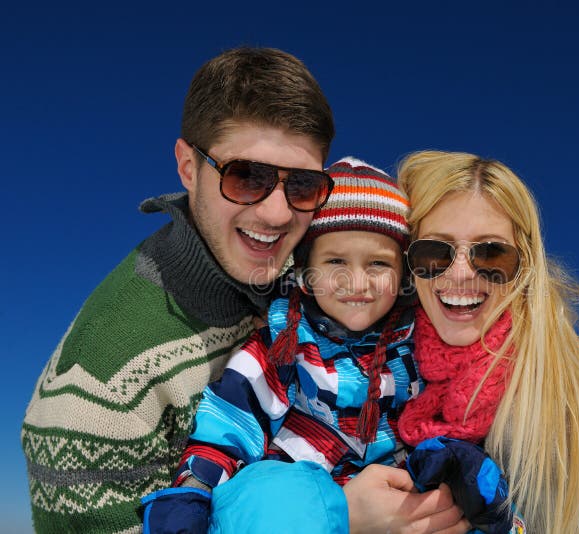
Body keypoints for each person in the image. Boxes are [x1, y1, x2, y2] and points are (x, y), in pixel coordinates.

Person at [21, 48, 466, 534]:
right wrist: (341, 517)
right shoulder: (102, 379)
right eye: (245, 177)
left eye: (301, 185)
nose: (277, 214)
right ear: (188, 167)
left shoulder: (307, 278)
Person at [395, 150, 579, 533]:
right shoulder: (377, 367)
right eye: (435, 251)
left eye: (491, 253)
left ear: (524, 267)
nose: (462, 273)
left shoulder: (558, 390)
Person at [142, 157, 426, 530]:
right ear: (306, 274)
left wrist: (442, 460)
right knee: (273, 491)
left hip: (391, 509)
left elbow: (435, 421)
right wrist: (196, 487)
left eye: (378, 264)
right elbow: (230, 423)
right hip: (299, 509)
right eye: (336, 260)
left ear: (403, 274)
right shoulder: (282, 348)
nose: (358, 283)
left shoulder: (413, 350)